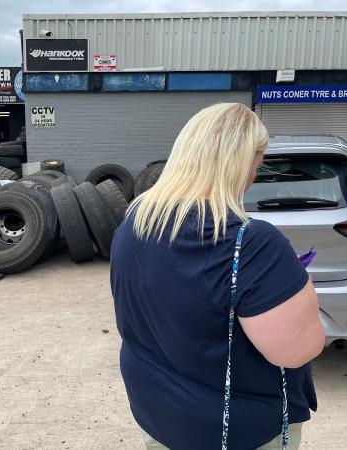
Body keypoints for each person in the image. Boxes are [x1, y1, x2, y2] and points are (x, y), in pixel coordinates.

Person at [110, 103, 325, 450]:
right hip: (236, 431)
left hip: (158, 415)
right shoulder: (251, 243)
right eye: (258, 163)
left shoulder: (134, 225)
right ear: (239, 164)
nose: (256, 175)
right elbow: (297, 350)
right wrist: (298, 285)